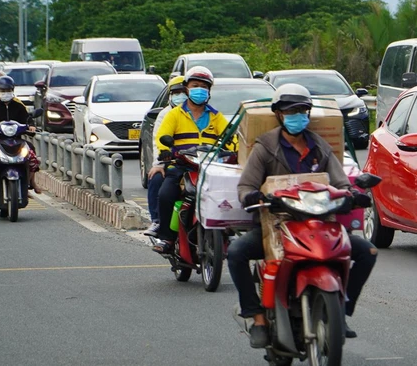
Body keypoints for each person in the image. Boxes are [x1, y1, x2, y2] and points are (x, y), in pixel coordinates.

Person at [229, 83, 377, 348]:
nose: (297, 116)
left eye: (302, 111)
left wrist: (353, 195)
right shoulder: (265, 147)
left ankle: (341, 311)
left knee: (367, 251)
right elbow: (245, 186)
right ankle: (257, 318)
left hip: (319, 224)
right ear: (279, 114)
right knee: (236, 252)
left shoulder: (320, 147)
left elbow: (341, 183)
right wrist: (253, 196)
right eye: (291, 111)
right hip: (276, 225)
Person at [151, 66, 234, 253]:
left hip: (210, 168)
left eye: (204, 87)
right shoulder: (174, 114)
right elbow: (162, 136)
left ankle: (227, 234)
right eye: (195, 85)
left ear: (209, 91)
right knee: (166, 194)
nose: (199, 90)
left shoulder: (216, 116)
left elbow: (231, 137)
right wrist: (165, 152)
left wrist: (236, 148)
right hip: (181, 166)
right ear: (187, 88)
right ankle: (166, 238)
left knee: (229, 195)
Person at [0, 76, 41, 200]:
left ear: (12, 90)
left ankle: (29, 184)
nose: (6, 93)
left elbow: (27, 120)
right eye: (3, 91)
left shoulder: (18, 106)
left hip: (17, 140)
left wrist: (31, 126)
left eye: (8, 90)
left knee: (32, 156)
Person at [142, 76, 188, 237]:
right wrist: (160, 164)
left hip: (198, 161)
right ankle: (157, 221)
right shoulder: (166, 115)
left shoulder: (209, 114)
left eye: (184, 92)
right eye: (177, 93)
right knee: (156, 179)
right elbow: (158, 140)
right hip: (174, 161)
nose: (181, 96)